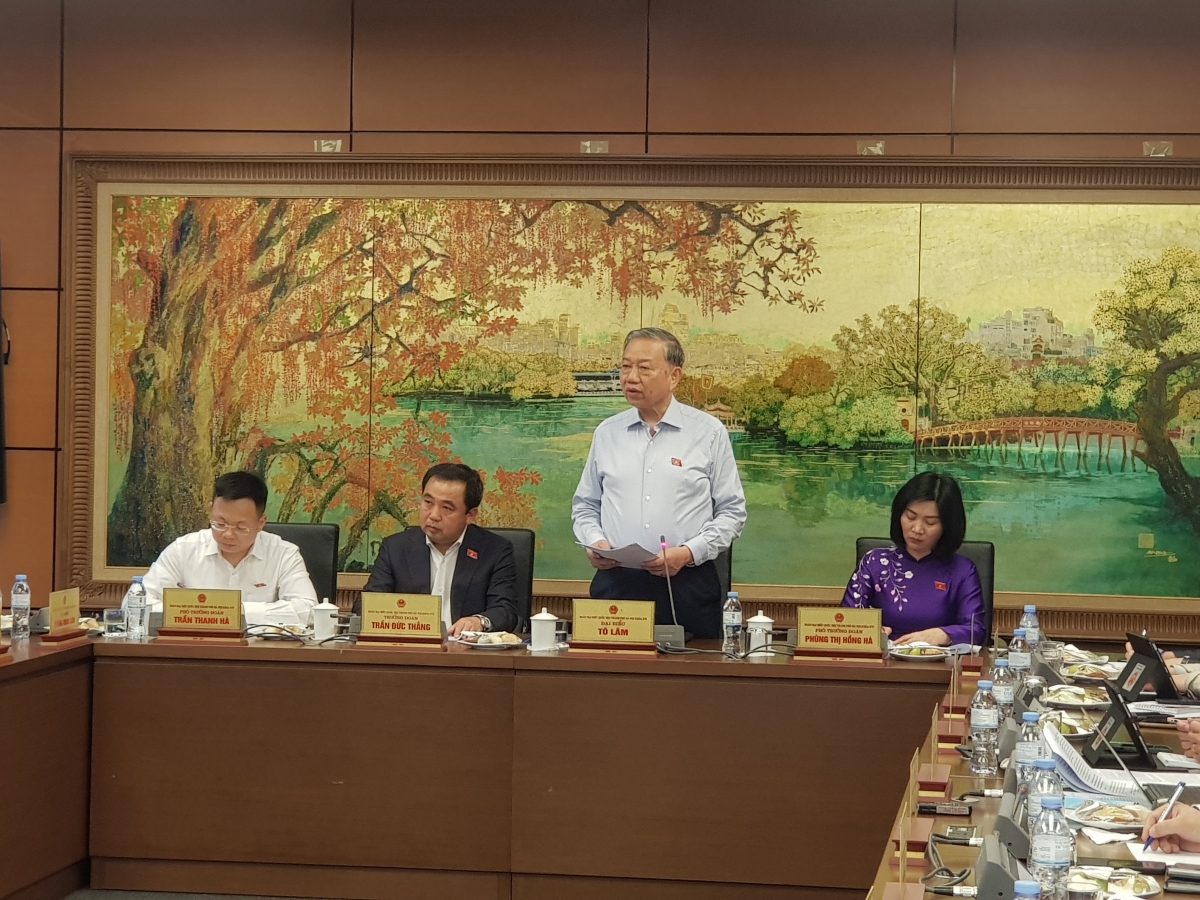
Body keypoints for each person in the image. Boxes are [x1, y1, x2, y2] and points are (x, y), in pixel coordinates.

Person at [571, 328, 746, 639]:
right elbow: (585, 505)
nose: (630, 377)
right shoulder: (607, 432)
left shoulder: (708, 432)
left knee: (689, 682)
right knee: (609, 680)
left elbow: (732, 513)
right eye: (625, 366)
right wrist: (594, 540)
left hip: (687, 586)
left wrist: (689, 553)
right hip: (617, 583)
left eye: (644, 368)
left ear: (674, 376)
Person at [356, 463, 518, 637]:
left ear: (471, 515)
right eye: (428, 502)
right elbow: (365, 606)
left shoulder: (495, 550)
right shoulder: (396, 548)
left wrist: (478, 621)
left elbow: (505, 610)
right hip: (410, 650)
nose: (433, 515)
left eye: (446, 508)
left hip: (467, 653)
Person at [141, 471, 319, 625]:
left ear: (261, 523)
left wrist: (235, 611)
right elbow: (137, 604)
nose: (228, 534)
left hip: (259, 654)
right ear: (211, 511)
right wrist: (193, 612)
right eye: (220, 523)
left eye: (241, 527)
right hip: (194, 651)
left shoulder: (283, 554)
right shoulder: (183, 550)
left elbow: (308, 610)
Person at [842, 471, 986, 647]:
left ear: (947, 526)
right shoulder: (875, 563)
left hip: (940, 666)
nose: (917, 529)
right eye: (910, 517)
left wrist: (943, 635)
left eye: (930, 522)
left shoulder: (962, 570)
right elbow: (847, 622)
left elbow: (976, 630)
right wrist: (869, 631)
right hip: (882, 664)